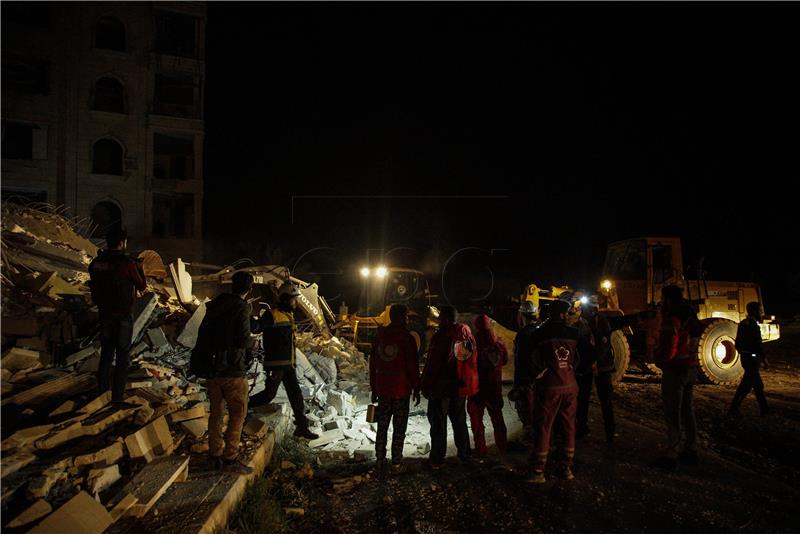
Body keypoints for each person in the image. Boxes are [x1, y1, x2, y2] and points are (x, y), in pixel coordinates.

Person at [192, 271, 256, 474]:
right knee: (238, 413)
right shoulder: (241, 308)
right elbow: (243, 339)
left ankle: (214, 455)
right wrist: (253, 344)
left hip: (212, 369)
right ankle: (230, 457)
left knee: (216, 413)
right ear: (250, 288)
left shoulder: (215, 306)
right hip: (232, 369)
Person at [88, 228, 146, 404]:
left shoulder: (97, 262)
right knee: (122, 356)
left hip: (104, 314)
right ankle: (117, 398)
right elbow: (141, 286)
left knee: (106, 353)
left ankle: (102, 394)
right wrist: (140, 268)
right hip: (122, 316)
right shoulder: (126, 263)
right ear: (122, 242)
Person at [258, 281, 318, 440]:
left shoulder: (287, 315)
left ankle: (302, 428)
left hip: (287, 365)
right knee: (267, 396)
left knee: (296, 396)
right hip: (276, 365)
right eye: (293, 299)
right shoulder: (271, 314)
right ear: (285, 299)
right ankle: (240, 408)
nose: (296, 303)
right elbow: (256, 327)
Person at [528, 299, 580, 484]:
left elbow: (532, 361)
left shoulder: (539, 334)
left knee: (544, 427)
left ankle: (538, 471)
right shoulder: (575, 333)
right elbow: (586, 356)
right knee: (568, 427)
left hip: (549, 386)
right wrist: (571, 370)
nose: (568, 316)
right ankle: (566, 468)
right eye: (566, 313)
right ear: (561, 314)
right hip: (570, 386)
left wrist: (535, 377)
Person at [650, 285, 701, 470]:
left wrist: (657, 358)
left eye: (663, 298)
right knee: (688, 411)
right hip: (690, 368)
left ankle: (672, 455)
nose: (661, 301)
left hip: (675, 371)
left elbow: (668, 349)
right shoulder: (690, 316)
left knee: (672, 413)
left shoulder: (671, 319)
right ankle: (691, 449)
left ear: (669, 299)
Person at [420, 306, 478, 468]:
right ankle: (465, 455)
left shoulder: (442, 337)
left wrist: (425, 384)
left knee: (438, 423)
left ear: (445, 319)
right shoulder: (466, 335)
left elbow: (433, 364)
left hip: (442, 388)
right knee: (459, 421)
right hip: (459, 388)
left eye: (440, 318)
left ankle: (437, 459)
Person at [370, 304, 421, 472]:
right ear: (401, 318)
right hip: (401, 391)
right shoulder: (407, 339)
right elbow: (412, 367)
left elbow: (373, 365)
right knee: (399, 428)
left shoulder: (379, 337)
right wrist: (416, 388)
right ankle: (396, 462)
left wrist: (374, 388)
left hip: (383, 390)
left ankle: (379, 460)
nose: (407, 320)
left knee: (382, 426)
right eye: (406, 317)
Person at [575, 296, 616, 442]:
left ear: (593, 309)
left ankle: (610, 432)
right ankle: (582, 428)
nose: (582, 310)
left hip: (602, 367)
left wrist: (595, 362)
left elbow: (603, 346)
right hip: (587, 366)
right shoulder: (582, 322)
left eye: (585, 308)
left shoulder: (602, 323)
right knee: (582, 398)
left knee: (605, 400)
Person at [468, 314, 508, 457]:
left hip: (477, 388)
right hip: (494, 387)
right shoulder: (500, 343)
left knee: (477, 422)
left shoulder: (472, 343)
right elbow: (504, 361)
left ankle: (481, 449)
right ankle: (502, 447)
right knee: (497, 418)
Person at [728, 302, 771, 417]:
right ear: (753, 311)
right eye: (759, 310)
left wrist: (743, 353)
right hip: (752, 359)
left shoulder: (743, 323)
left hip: (746, 358)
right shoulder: (753, 326)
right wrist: (764, 360)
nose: (761, 313)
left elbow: (737, 344)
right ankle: (733, 410)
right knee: (745, 386)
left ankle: (765, 409)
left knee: (758, 385)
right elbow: (758, 345)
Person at [510, 300, 539, 442]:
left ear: (522, 315)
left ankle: (530, 440)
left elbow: (520, 360)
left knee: (526, 411)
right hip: (538, 379)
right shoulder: (540, 331)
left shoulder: (523, 334)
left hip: (526, 379)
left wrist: (518, 385)